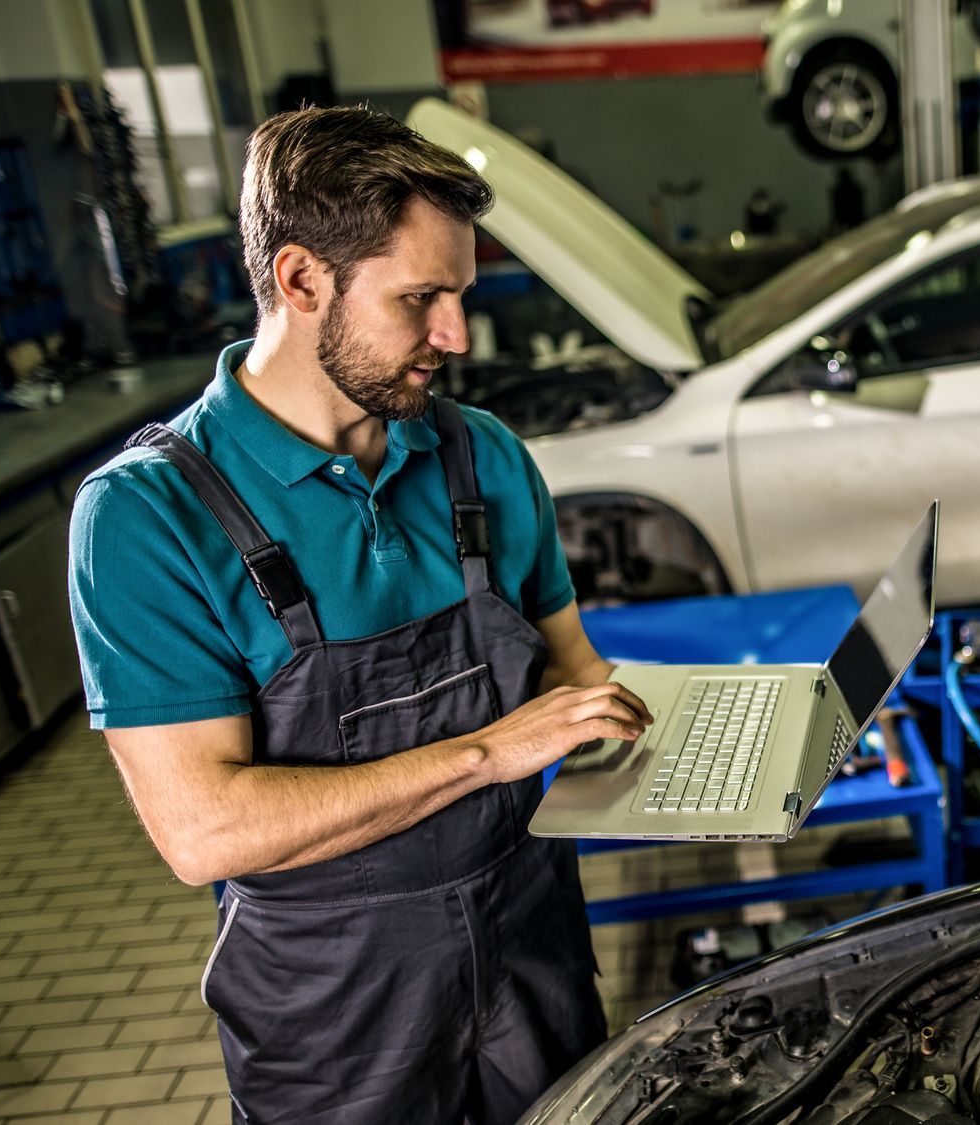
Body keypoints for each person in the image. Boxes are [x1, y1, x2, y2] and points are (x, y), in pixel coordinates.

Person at [66, 106, 651, 1124]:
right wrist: (486, 753)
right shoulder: (144, 518)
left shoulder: (482, 457)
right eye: (419, 299)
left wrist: (693, 742)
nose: (456, 338)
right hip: (335, 1006)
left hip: (531, 945)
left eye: (460, 296)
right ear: (299, 282)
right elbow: (205, 830)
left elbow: (571, 669)